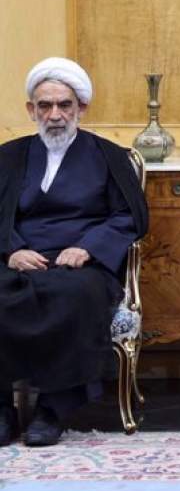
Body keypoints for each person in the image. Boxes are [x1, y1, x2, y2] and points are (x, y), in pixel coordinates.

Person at [0, 58, 149, 447]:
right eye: (44, 106)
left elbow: (128, 217)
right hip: (18, 258)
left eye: (64, 105)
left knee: (73, 295)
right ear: (31, 110)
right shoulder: (8, 157)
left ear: (81, 108)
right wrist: (12, 250)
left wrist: (87, 247)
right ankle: (2, 410)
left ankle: (52, 410)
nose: (55, 115)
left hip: (81, 264)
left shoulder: (109, 156)